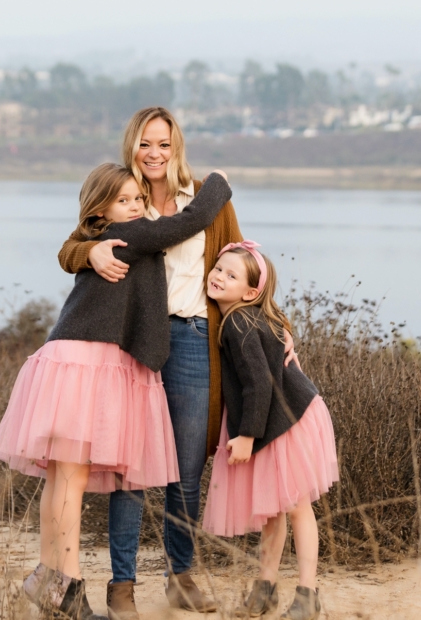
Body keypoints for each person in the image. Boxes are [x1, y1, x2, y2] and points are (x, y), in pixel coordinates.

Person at [59, 107, 295, 618]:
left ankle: (180, 576)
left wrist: (277, 330)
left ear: (177, 145)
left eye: (164, 143)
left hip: (191, 339)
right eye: (146, 143)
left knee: (186, 470)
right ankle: (121, 586)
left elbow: (242, 265)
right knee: (129, 469)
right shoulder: (124, 197)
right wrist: (88, 254)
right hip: (133, 343)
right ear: (132, 145)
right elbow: (74, 242)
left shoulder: (204, 201)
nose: (155, 153)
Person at [0, 163, 232, 620]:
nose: (136, 207)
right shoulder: (131, 234)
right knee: (73, 480)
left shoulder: (103, 235)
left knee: (62, 478)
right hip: (89, 364)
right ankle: (68, 588)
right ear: (101, 209)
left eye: (137, 199)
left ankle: (49, 579)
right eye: (124, 200)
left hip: (70, 361)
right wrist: (218, 181)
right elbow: (190, 221)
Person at [202, 241, 339, 620]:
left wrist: (246, 435)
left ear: (250, 292)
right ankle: (265, 590)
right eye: (218, 269)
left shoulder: (238, 323)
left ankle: (308, 594)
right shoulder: (245, 317)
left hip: (286, 420)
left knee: (295, 507)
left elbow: (260, 384)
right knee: (275, 510)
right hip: (280, 418)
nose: (218, 277)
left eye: (231, 275)